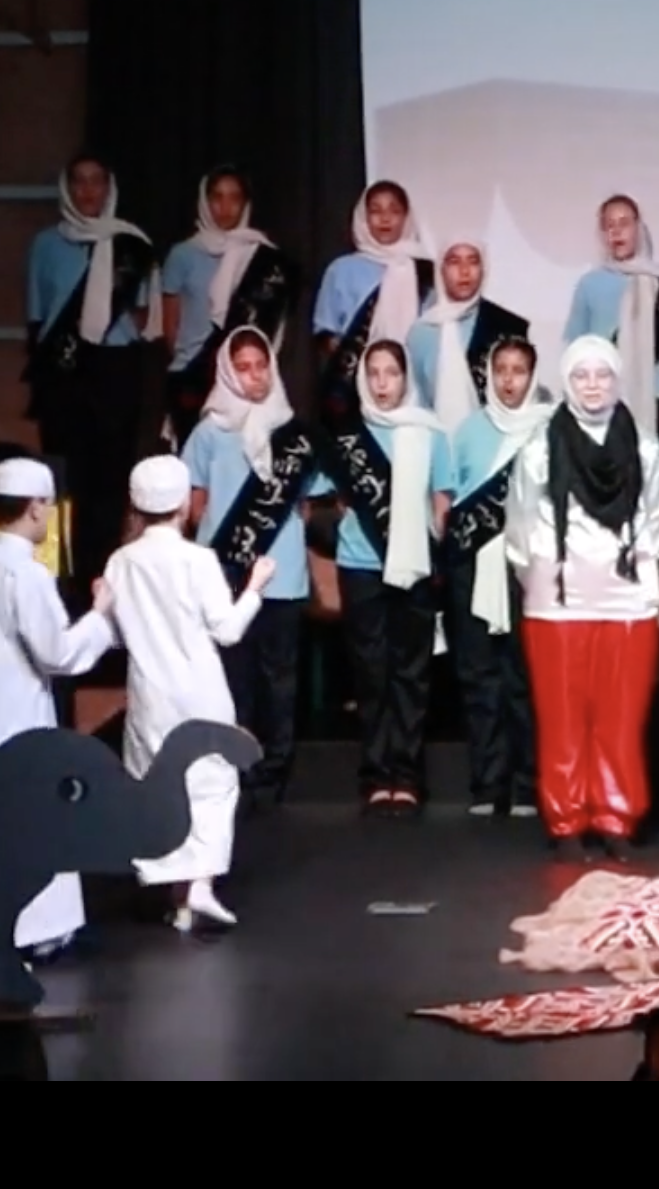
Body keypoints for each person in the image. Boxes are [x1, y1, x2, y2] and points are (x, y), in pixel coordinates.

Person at [0, 456, 115, 959]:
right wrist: (100, 616)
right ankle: (31, 934)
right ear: (34, 508)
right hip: (18, 729)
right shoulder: (26, 575)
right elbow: (59, 654)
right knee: (29, 828)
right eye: (47, 505)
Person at [499, 335, 659, 855]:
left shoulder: (643, 447)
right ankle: (567, 819)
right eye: (581, 376)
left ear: (617, 380)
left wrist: (636, 570)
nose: (592, 386)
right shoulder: (539, 447)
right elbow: (521, 523)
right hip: (559, 599)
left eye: (602, 375)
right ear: (567, 382)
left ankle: (616, 817)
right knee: (563, 716)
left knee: (621, 716)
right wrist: (545, 576)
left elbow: (658, 516)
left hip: (625, 597)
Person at [105, 454, 277, 930]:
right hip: (200, 690)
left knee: (158, 782)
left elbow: (115, 634)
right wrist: (255, 587)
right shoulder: (198, 560)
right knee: (211, 783)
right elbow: (227, 630)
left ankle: (178, 892)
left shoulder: (121, 562)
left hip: (150, 693)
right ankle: (198, 886)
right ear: (183, 504)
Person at [182, 326, 318, 802]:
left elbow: (308, 502)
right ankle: (237, 765)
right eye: (243, 368)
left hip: (281, 573)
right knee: (232, 675)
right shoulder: (209, 431)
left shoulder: (293, 433)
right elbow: (195, 503)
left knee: (279, 677)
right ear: (227, 372)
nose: (255, 376)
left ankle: (275, 769)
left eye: (261, 366)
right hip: (225, 570)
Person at [322, 339, 445, 812]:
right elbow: (327, 499)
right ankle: (376, 774)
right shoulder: (346, 438)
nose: (381, 383)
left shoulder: (429, 431)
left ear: (405, 378)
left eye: (391, 373)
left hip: (414, 566)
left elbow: (442, 503)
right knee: (371, 673)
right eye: (372, 373)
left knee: (411, 674)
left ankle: (407, 775)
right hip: (361, 565)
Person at [433, 335, 550, 820]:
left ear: (532, 375)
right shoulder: (468, 430)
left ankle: (526, 785)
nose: (508, 380)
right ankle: (487, 783)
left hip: (527, 565)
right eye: (500, 370)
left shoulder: (548, 428)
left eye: (518, 370)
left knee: (522, 676)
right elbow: (452, 500)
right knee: (478, 674)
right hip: (473, 565)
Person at [23, 154, 157, 572]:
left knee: (111, 477)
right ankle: (63, 572)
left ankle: (103, 573)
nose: (87, 191)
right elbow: (37, 316)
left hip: (116, 369)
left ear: (109, 187)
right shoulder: (46, 244)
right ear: (67, 188)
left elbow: (144, 316)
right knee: (66, 475)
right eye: (79, 181)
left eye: (96, 181)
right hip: (63, 372)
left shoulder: (131, 244)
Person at [158, 166, 293, 433]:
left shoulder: (261, 255)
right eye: (217, 197)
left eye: (234, 198)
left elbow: (274, 323)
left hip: (244, 377)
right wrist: (196, 367)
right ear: (205, 201)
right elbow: (170, 324)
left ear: (245, 203)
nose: (225, 207)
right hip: (191, 372)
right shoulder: (183, 254)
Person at [563, 193, 659, 445]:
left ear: (638, 228)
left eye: (624, 223)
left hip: (652, 390)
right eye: (609, 225)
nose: (616, 232)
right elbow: (576, 348)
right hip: (602, 392)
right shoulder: (589, 284)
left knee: (649, 461)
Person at [313, 180, 436, 420]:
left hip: (413, 385)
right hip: (354, 390)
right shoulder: (341, 269)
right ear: (363, 217)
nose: (385, 218)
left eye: (394, 210)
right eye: (376, 211)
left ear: (406, 217)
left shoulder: (425, 272)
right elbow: (326, 333)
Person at [409, 239, 532, 426]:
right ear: (441, 270)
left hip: (498, 437)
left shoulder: (509, 327)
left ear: (483, 269)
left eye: (473, 262)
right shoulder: (420, 333)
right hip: (434, 438)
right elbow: (416, 401)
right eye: (454, 262)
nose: (464, 271)